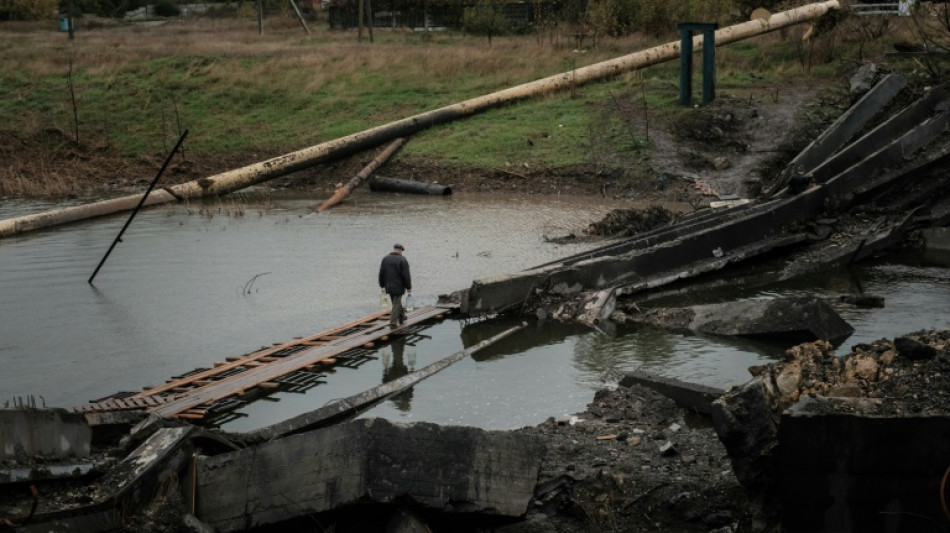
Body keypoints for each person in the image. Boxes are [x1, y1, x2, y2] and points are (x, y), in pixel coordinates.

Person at [378, 243, 412, 328]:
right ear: (400, 250)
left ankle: (402, 317)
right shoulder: (402, 260)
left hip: (388, 285)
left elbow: (381, 272)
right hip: (399, 286)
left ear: (394, 249)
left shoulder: (385, 259)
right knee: (396, 304)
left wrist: (381, 284)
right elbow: (406, 275)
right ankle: (393, 323)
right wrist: (408, 287)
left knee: (396, 302)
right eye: (401, 251)